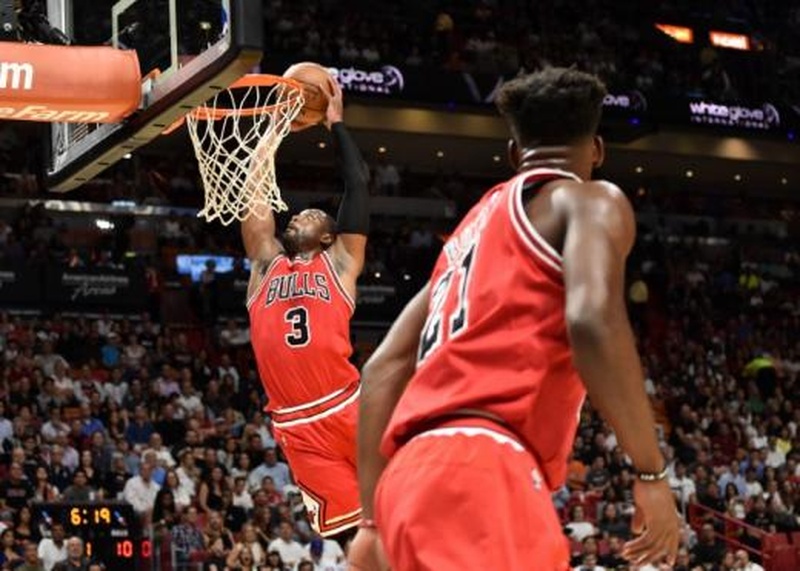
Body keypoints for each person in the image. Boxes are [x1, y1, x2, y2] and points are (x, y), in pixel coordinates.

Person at [351, 67, 682, 570]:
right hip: (483, 469)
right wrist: (651, 475)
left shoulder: (466, 238)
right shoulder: (593, 199)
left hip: (408, 477)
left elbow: (382, 369)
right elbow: (592, 321)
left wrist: (371, 525)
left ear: (513, 155)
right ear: (596, 150)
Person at [243, 78, 368, 537]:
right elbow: (256, 204)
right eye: (298, 213)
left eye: (314, 214)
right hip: (294, 424)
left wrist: (337, 126)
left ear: (331, 235)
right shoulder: (264, 266)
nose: (300, 214)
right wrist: (271, 133)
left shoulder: (341, 263)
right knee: (352, 534)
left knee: (408, 507)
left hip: (348, 405)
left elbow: (357, 187)